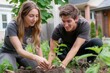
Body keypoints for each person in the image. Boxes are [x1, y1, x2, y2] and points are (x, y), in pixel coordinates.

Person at [48, 4, 103, 69]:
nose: (66, 25)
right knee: (52, 43)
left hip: (82, 48)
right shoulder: (59, 28)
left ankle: (89, 64)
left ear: (76, 19)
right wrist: (48, 65)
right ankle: (70, 64)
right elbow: (52, 51)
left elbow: (75, 47)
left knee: (97, 42)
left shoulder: (84, 24)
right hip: (67, 49)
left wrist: (63, 64)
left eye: (69, 21)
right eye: (63, 21)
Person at [0, 1, 49, 70]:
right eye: (31, 16)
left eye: (36, 16)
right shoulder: (12, 26)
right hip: (8, 52)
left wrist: (41, 61)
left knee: (37, 68)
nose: (34, 19)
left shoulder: (35, 27)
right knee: (9, 69)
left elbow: (37, 47)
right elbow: (19, 49)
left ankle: (21, 67)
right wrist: (36, 57)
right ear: (23, 15)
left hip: (23, 54)